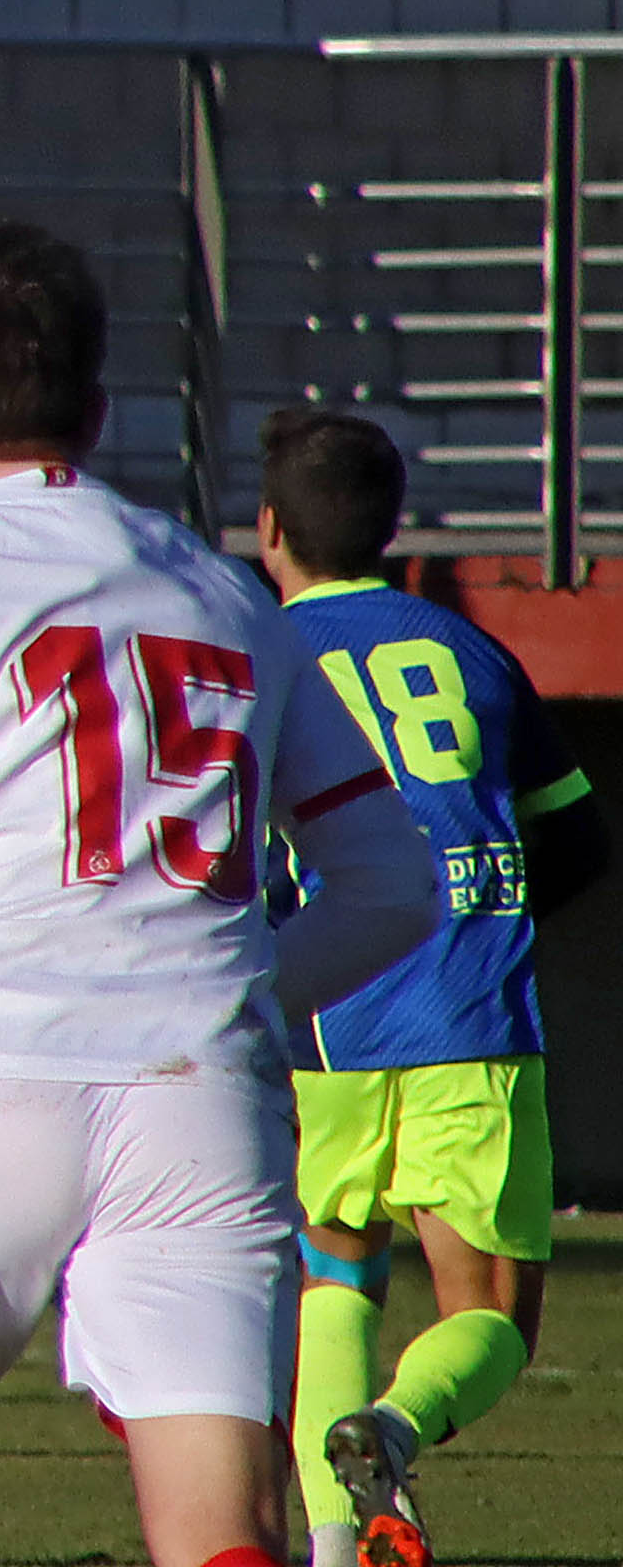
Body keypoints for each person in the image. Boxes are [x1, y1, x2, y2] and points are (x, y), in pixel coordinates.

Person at [0, 218, 440, 1567]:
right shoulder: (229, 593)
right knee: (224, 1528)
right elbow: (395, 882)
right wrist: (233, 993)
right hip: (199, 1098)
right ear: (97, 412)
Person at [256, 408, 609, 1567]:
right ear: (395, 531)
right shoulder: (466, 649)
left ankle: (326, 1539)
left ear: (269, 529)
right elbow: (579, 839)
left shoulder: (259, 656)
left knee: (334, 1280)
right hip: (467, 1015)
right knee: (491, 1319)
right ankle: (397, 1430)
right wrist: (483, 909)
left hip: (324, 1022)